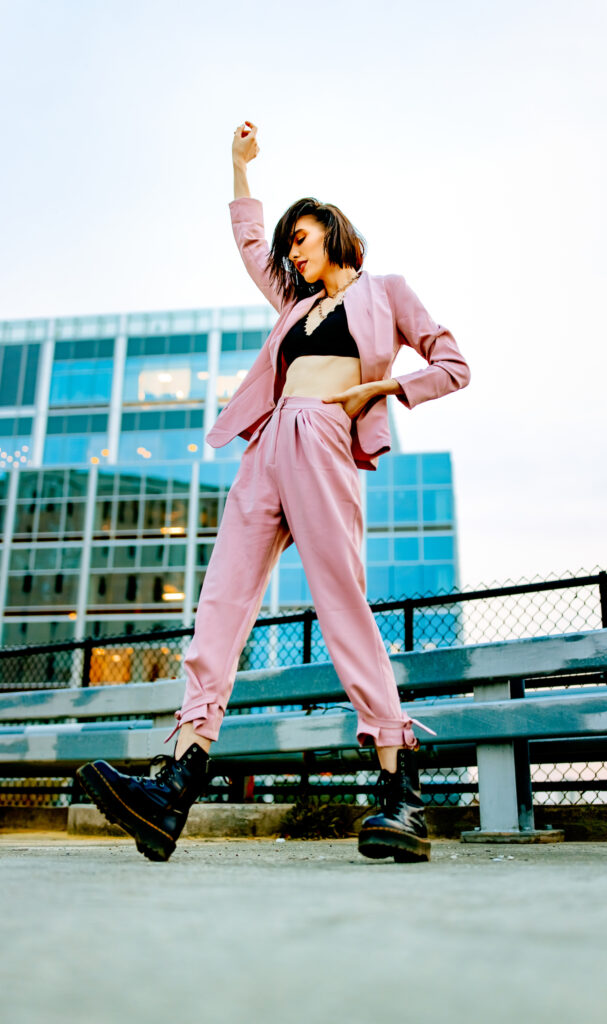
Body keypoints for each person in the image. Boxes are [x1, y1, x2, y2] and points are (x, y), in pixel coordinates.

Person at [77, 120, 471, 865]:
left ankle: (398, 790)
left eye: (305, 233)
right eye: (289, 238)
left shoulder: (386, 291)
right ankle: (177, 781)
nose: (293, 247)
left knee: (340, 605)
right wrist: (237, 169)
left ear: (337, 233)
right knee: (221, 602)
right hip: (266, 449)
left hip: (325, 439)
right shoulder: (291, 304)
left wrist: (387, 386)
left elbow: (454, 362)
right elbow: (249, 248)